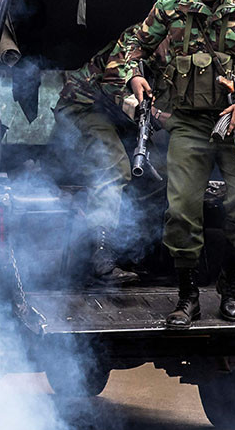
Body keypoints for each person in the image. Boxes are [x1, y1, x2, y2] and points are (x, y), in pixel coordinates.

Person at [105, 0, 235, 327]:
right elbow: (133, 42)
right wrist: (133, 74)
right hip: (189, 123)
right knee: (182, 211)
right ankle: (188, 296)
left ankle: (230, 281)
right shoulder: (172, 2)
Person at [52, 24, 168, 285]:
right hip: (82, 107)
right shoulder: (138, 36)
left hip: (122, 121)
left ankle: (134, 251)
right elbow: (115, 86)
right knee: (113, 165)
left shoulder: (188, 44)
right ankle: (102, 255)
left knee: (163, 173)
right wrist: (158, 116)